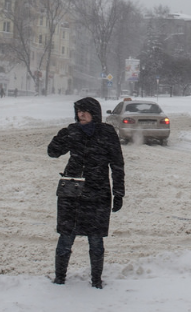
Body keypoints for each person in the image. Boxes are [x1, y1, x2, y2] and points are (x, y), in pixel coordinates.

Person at [47, 97, 125, 289]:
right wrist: (61, 137)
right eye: (78, 111)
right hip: (71, 191)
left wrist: (119, 192)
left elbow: (117, 164)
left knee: (96, 239)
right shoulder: (72, 131)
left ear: (94, 113)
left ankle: (96, 281)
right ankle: (59, 279)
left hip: (98, 192)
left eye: (84, 111)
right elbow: (53, 152)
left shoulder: (107, 133)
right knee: (66, 236)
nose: (81, 114)